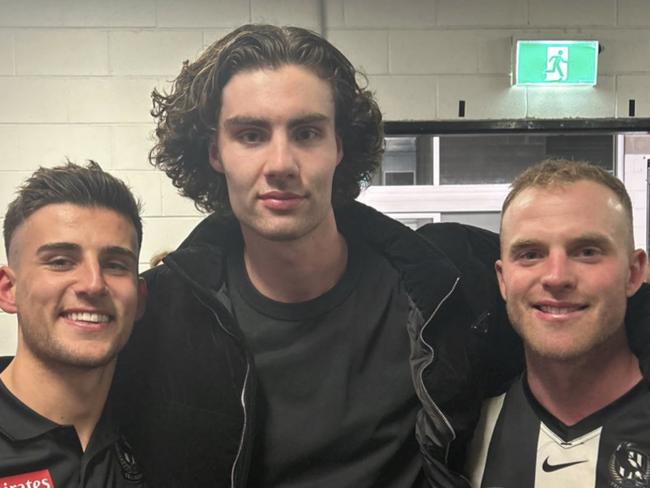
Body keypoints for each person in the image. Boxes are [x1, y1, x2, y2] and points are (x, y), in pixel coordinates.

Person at [113, 23, 523, 488]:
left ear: (338, 147)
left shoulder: (449, 288)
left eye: (306, 133)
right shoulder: (162, 314)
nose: (281, 164)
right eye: (251, 135)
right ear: (215, 152)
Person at [466, 160, 650, 488]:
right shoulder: (466, 433)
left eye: (587, 251)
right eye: (530, 254)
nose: (556, 276)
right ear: (503, 280)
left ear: (634, 273)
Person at [0, 162, 148, 486]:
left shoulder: (169, 433)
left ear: (139, 298)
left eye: (115, 264)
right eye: (61, 262)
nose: (94, 284)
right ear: (9, 290)